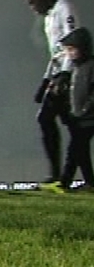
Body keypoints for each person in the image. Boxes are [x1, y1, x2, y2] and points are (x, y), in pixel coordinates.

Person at [24, 0, 79, 183]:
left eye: (34, 1)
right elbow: (55, 54)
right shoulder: (47, 19)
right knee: (73, 127)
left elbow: (74, 40)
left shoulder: (64, 8)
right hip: (57, 75)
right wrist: (46, 78)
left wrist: (66, 73)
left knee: (49, 119)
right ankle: (64, 175)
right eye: (29, 3)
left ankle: (59, 175)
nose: (33, 7)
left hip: (71, 74)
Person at [40, 28, 94, 193]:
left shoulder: (90, 67)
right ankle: (89, 183)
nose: (68, 54)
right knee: (80, 152)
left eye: (71, 49)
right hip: (80, 118)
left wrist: (84, 111)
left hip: (88, 119)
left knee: (75, 151)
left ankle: (64, 183)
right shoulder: (77, 68)